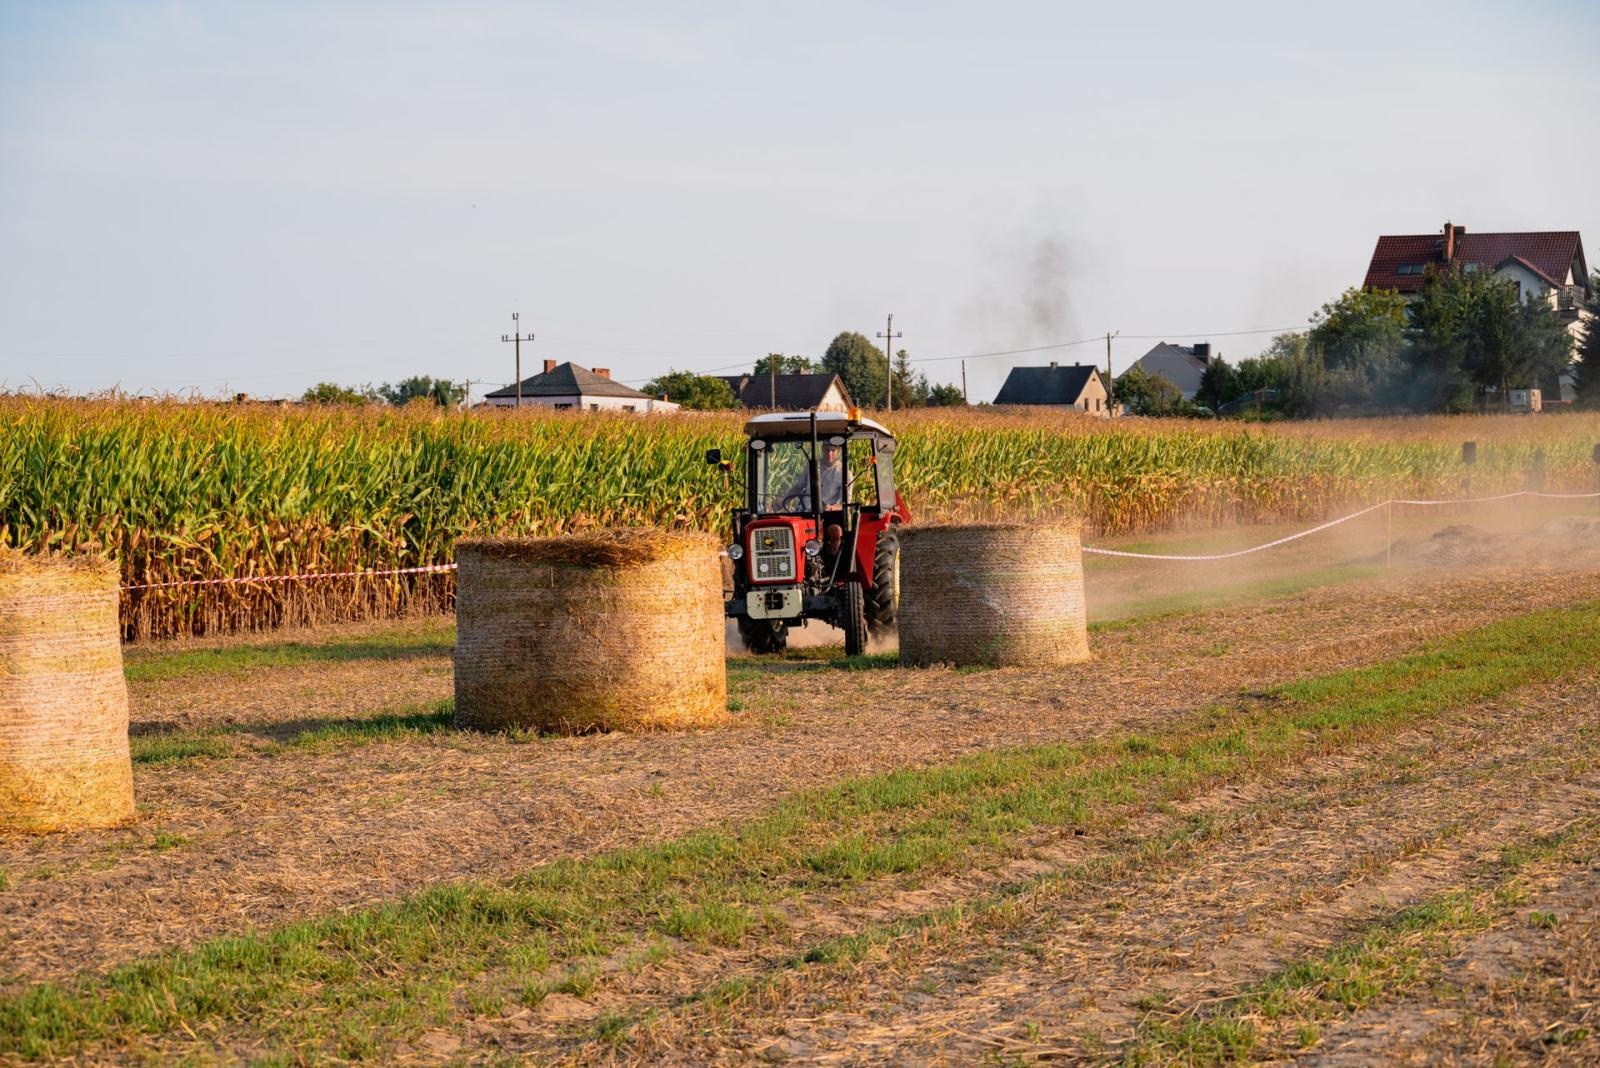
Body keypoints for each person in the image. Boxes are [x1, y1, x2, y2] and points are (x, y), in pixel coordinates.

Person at [782, 441, 848, 510]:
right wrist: (779, 504)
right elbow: (798, 487)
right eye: (827, 450)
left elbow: (845, 504)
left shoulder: (844, 473)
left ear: (839, 451)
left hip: (828, 515)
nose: (829, 453)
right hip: (805, 511)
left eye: (833, 450)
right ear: (822, 448)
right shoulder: (811, 466)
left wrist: (830, 507)